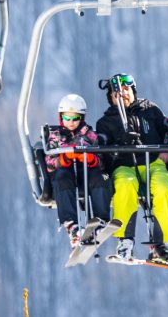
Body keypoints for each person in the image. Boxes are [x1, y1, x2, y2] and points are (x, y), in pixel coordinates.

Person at [95, 73, 168, 265]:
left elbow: (167, 131)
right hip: (124, 164)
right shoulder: (107, 121)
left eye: (126, 90)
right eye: (116, 93)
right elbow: (103, 146)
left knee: (163, 187)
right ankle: (125, 239)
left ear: (133, 91)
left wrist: (167, 151)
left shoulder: (150, 110)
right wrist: (118, 145)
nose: (122, 95)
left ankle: (162, 243)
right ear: (111, 98)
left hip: (152, 161)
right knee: (125, 185)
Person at [43, 93, 114, 245]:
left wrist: (92, 159)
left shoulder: (89, 135)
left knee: (100, 177)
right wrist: (63, 159)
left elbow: (102, 160)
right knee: (61, 178)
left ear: (81, 118)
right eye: (67, 118)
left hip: (86, 173)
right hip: (66, 173)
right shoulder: (55, 135)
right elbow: (49, 162)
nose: (71, 122)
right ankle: (71, 224)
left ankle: (100, 220)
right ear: (61, 117)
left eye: (75, 118)